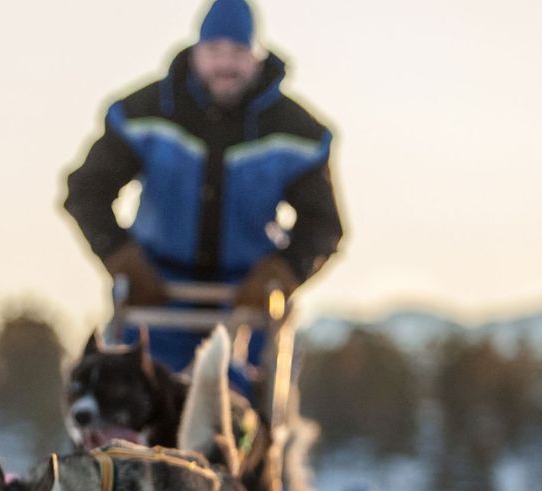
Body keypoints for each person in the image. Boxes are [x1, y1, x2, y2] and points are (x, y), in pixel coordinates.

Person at [63, 0, 342, 374]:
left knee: (238, 414)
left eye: (238, 52)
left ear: (256, 56)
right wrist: (120, 255)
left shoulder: (298, 135)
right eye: (214, 51)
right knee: (137, 399)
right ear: (196, 51)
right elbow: (87, 191)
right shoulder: (142, 114)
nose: (225, 65)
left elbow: (323, 225)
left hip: (247, 307)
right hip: (155, 301)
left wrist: (283, 272)